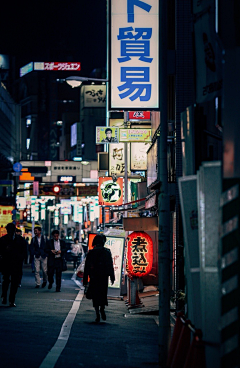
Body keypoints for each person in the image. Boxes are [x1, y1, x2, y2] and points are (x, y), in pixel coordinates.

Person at [83, 234, 115, 323]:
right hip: (103, 277)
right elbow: (110, 265)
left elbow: (87, 267)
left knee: (95, 296)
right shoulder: (107, 252)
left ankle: (97, 313)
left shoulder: (91, 252)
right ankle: (102, 308)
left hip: (94, 277)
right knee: (102, 294)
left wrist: (85, 279)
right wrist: (112, 276)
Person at [0, 223, 26, 307]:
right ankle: (6, 297)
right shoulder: (3, 240)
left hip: (15, 263)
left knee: (12, 282)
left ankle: (10, 299)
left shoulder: (19, 240)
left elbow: (24, 251)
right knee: (7, 281)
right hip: (7, 263)